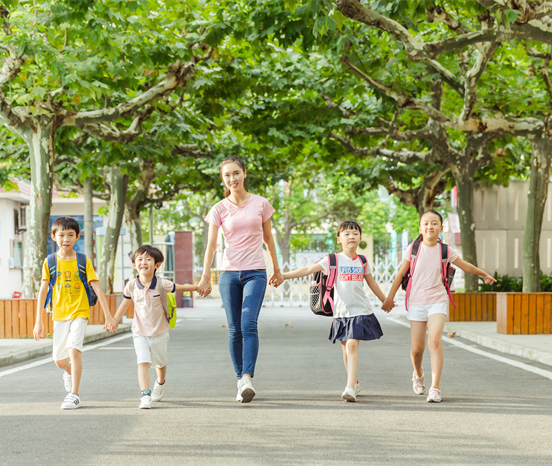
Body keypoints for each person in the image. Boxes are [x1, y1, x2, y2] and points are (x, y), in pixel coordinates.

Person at [382, 209, 496, 403]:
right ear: (420, 227)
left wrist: (483, 274)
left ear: (441, 228)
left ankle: (435, 387)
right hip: (416, 302)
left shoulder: (445, 250)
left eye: (434, 223)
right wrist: (389, 298)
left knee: (434, 341)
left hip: (438, 300)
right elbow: (401, 274)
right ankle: (418, 374)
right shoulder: (413, 249)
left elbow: (464, 265)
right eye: (426, 223)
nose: (430, 226)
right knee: (417, 350)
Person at [197, 156, 283, 403]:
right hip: (229, 274)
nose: (232, 179)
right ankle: (239, 381)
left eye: (236, 173)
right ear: (222, 178)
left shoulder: (261, 204)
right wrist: (205, 277)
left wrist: (276, 269)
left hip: (255, 272)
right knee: (234, 329)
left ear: (244, 173)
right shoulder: (218, 209)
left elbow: (269, 239)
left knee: (248, 324)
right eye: (227, 175)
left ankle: (247, 377)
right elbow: (212, 245)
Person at [280, 221, 388, 402]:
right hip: (341, 312)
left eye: (355, 233)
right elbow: (307, 269)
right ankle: (354, 382)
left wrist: (385, 300)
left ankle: (349, 387)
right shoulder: (332, 260)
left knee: (352, 344)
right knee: (346, 348)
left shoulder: (363, 261)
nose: (351, 236)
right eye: (346, 234)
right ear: (339, 239)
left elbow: (372, 283)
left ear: (360, 238)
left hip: (360, 310)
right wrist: (283, 276)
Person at [33, 216, 116, 410]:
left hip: (80, 312)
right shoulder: (50, 261)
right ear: (53, 237)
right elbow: (43, 291)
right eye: (61, 235)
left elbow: (97, 288)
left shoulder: (83, 261)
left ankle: (74, 394)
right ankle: (70, 373)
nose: (66, 239)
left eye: (71, 235)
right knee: (59, 359)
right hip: (59, 314)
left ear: (77, 236)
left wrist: (109, 315)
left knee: (74, 350)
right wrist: (39, 321)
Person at [110, 245, 198, 409]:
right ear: (135, 265)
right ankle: (145, 394)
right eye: (140, 259)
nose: (144, 262)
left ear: (157, 265)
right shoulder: (131, 285)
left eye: (148, 259)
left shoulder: (161, 284)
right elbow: (124, 304)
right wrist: (114, 320)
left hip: (160, 332)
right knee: (142, 361)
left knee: (159, 363)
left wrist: (199, 287)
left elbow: (181, 287)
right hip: (139, 332)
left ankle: (161, 382)